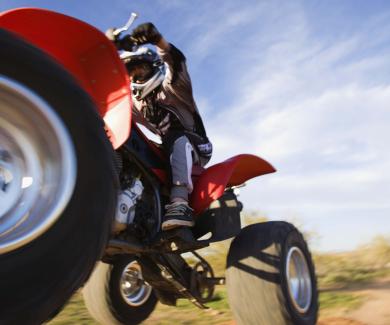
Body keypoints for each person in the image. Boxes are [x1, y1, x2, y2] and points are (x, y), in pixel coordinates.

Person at [120, 23, 212, 231]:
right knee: (135, 149)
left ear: (153, 67)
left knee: (175, 137)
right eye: (131, 71)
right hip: (169, 147)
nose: (135, 75)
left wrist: (158, 40)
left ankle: (180, 204)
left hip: (197, 145)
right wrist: (109, 45)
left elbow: (177, 62)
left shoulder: (173, 88)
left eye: (140, 68)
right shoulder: (135, 102)